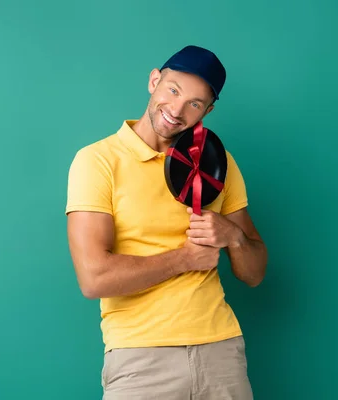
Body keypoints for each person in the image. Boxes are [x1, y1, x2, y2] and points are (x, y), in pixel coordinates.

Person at [64, 45, 268, 400]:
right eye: (173, 90)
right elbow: (93, 277)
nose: (176, 110)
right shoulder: (97, 161)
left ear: (208, 110)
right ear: (154, 80)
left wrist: (233, 237)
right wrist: (185, 259)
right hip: (140, 359)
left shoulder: (218, 163)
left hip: (220, 351)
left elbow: (255, 273)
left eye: (195, 103)